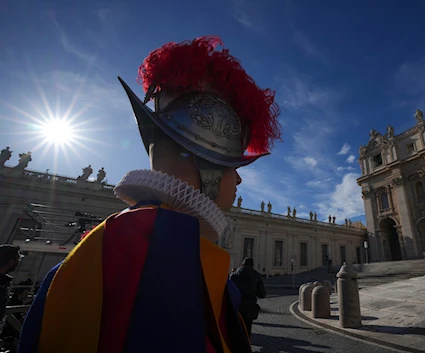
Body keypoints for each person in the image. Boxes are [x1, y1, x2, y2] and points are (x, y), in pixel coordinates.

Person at [19, 36, 281, 353]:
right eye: (231, 165)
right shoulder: (159, 253)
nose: (238, 179)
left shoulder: (131, 237)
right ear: (207, 167)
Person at [229, 258, 266, 336]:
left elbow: (229, 290)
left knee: (235, 329)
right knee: (247, 329)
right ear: (252, 265)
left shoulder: (234, 275)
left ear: (242, 264)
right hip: (250, 305)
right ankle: (246, 345)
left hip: (237, 305)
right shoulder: (256, 276)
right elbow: (262, 294)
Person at [0, 245, 21, 320]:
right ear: (10, 262)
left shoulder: (3, 282)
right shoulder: (2, 284)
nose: (18, 263)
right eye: (18, 259)